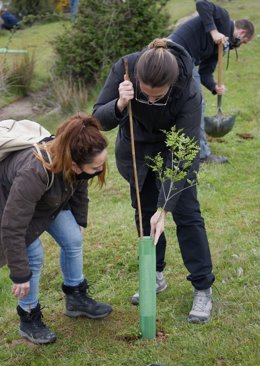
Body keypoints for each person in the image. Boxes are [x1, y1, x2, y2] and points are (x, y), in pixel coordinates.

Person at [93, 38, 215, 323]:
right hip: (136, 148)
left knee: (186, 214)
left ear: (171, 86)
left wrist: (166, 206)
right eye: (143, 94)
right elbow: (98, 119)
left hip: (175, 147)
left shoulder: (189, 90)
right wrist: (121, 103)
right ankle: (155, 275)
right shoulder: (125, 68)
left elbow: (184, 150)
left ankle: (202, 286)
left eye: (157, 97)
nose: (149, 100)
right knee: (145, 214)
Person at [0, 113, 113, 344]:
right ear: (73, 163)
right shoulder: (34, 172)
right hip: (10, 205)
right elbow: (13, 226)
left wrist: (80, 220)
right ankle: (29, 316)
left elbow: (79, 185)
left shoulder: (75, 160)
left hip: (47, 201)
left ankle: (76, 299)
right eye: (96, 167)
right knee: (33, 256)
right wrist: (20, 275)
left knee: (72, 238)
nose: (101, 171)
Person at [168, 0, 255, 164]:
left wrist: (215, 87)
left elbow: (205, 72)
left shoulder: (222, 45)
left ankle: (171, 146)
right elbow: (202, 3)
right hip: (175, 51)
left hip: (184, 61)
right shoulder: (223, 18)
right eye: (242, 42)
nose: (239, 45)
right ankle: (201, 154)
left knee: (175, 102)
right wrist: (214, 31)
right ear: (242, 33)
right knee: (196, 102)